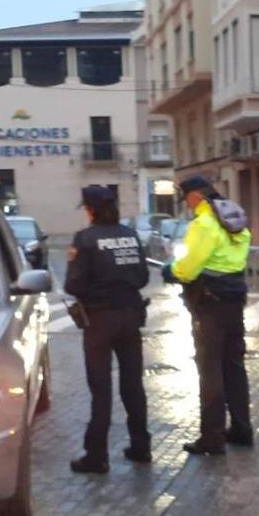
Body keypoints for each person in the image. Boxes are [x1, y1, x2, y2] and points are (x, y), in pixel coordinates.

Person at [162, 176, 253, 456]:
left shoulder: (203, 224)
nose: (187, 205)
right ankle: (241, 429)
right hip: (234, 298)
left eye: (187, 199)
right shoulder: (234, 219)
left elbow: (189, 268)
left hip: (209, 304)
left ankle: (212, 438)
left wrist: (171, 271)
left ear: (195, 196)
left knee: (210, 368)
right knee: (234, 365)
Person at [65, 185, 151, 474]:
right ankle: (141, 447)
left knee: (101, 389)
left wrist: (97, 291)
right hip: (131, 316)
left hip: (100, 321)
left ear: (90, 210)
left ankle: (97, 456)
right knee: (133, 386)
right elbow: (141, 277)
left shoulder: (85, 239)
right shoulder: (130, 235)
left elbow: (72, 285)